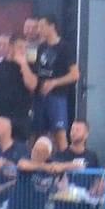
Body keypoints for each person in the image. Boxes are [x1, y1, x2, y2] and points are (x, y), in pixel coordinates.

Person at [32, 16, 79, 150]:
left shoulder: (64, 47)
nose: (39, 30)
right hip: (40, 96)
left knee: (59, 132)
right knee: (38, 132)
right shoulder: (41, 47)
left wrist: (54, 83)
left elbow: (75, 74)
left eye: (42, 26)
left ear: (52, 26)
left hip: (57, 96)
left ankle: (63, 161)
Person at [0, 35, 36, 147]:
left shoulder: (30, 66)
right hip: (0, 114)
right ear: (11, 47)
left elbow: (32, 85)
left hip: (21, 116)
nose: (23, 50)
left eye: (25, 47)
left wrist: (23, 64)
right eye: (20, 47)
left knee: (20, 148)